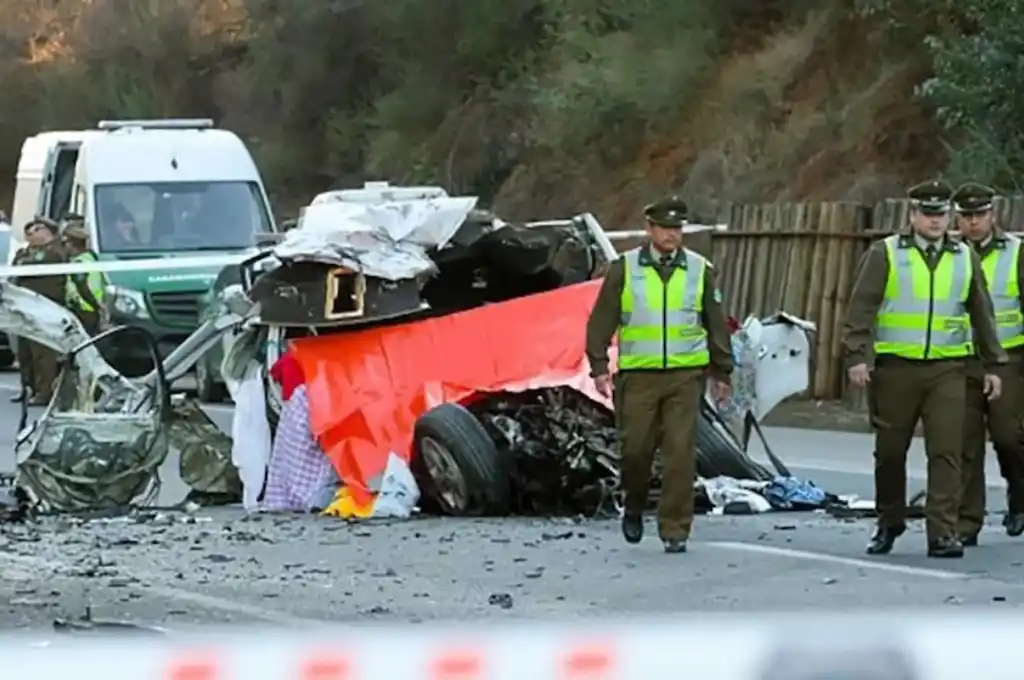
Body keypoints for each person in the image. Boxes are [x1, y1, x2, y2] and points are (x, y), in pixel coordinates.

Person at [842, 180, 1006, 558]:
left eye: (941, 214)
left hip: (948, 369)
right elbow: (861, 308)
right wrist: (857, 356)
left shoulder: (964, 256)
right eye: (928, 214)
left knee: (947, 451)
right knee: (889, 452)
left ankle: (942, 532)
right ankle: (889, 521)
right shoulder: (886, 253)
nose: (935, 221)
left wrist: (992, 365)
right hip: (895, 369)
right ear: (913, 214)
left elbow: (982, 315)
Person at [586, 196, 734, 553]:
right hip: (638, 377)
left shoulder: (699, 270)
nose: (671, 235)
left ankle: (675, 529)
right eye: (665, 228)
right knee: (636, 451)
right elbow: (601, 320)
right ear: (649, 229)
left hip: (685, 376)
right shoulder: (625, 269)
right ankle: (634, 504)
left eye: (677, 228)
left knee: (680, 453)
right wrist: (599, 366)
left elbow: (715, 323)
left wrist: (722, 372)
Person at [951, 183, 1024, 543]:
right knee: (965, 443)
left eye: (980, 214)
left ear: (992, 215)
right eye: (966, 216)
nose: (973, 222)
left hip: (1008, 358)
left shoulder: (1016, 252)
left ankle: (1019, 495)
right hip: (961, 359)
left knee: (1009, 437)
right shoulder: (949, 254)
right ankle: (967, 523)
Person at [11, 217, 68, 405]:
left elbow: (30, 266)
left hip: (43, 308)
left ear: (47, 233)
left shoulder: (54, 251)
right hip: (25, 308)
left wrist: (23, 262)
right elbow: (16, 266)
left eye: (36, 230)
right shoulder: (25, 252)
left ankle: (44, 392)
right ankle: (28, 387)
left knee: (42, 353)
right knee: (25, 353)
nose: (31, 234)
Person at [62, 216, 107, 335]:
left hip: (85, 310)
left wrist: (96, 306)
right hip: (91, 309)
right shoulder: (91, 258)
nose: (64, 247)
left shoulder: (80, 263)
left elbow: (82, 287)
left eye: (65, 243)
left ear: (71, 244)